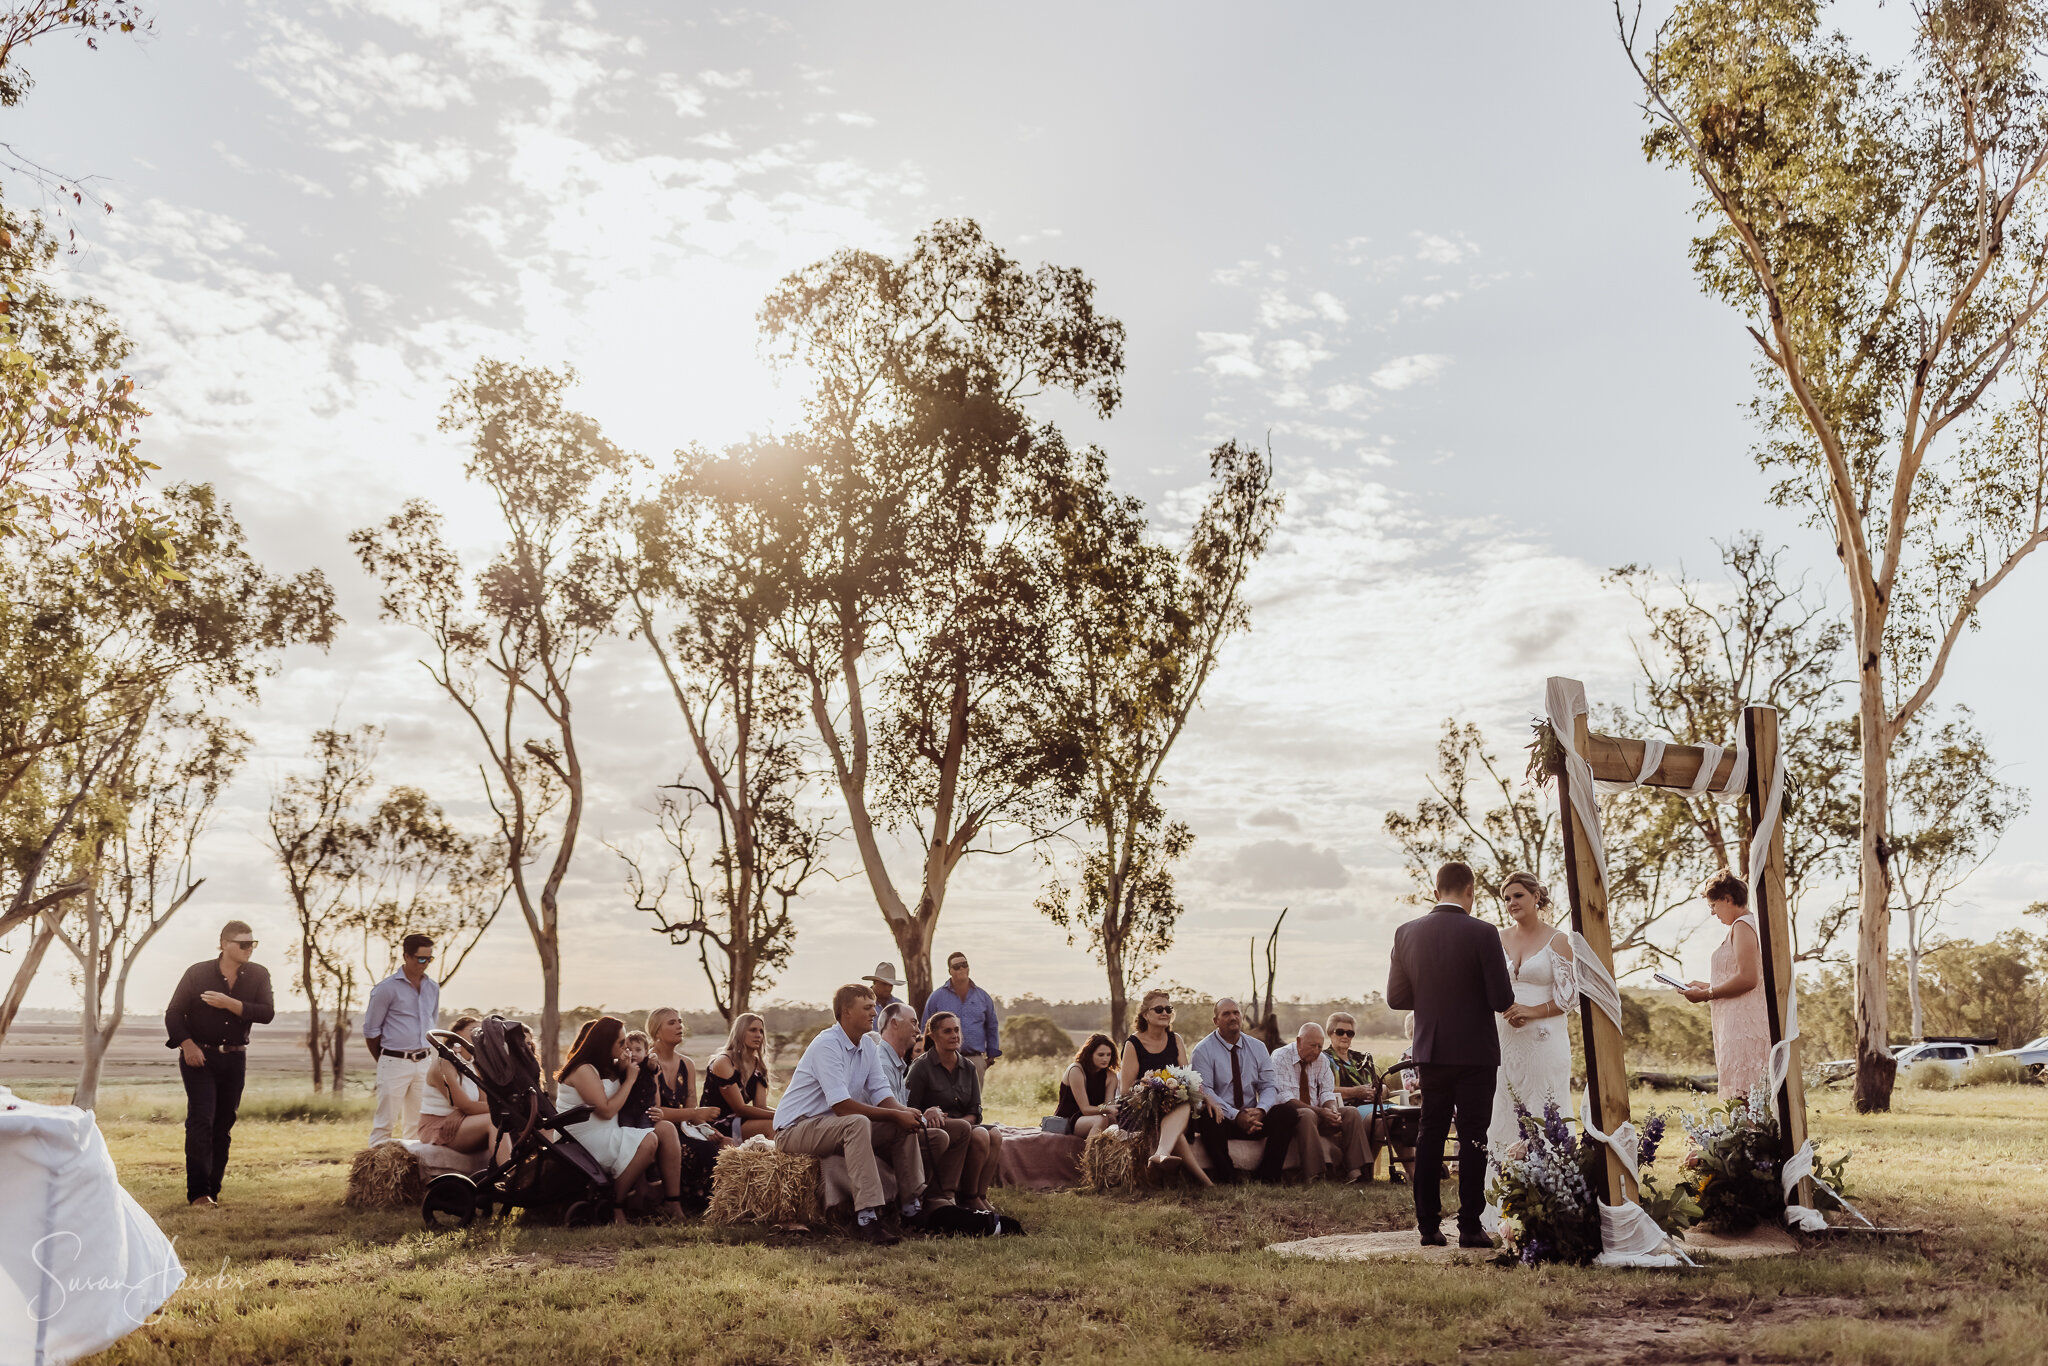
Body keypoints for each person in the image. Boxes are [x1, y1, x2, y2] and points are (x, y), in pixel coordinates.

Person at [1387, 860, 1516, 1248]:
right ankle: (1470, 1227)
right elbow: (1501, 998)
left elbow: (1396, 998)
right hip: (1475, 1053)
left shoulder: (1406, 932)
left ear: (1435, 889)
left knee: (1430, 1133)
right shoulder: (1483, 932)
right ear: (1470, 891)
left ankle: (1427, 1227)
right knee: (1474, 1136)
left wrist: (1431, 996)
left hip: (1431, 1049)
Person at [771, 983, 927, 1245]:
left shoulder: (867, 1045)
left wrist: (904, 1112)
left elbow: (881, 1093)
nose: (874, 1013)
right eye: (866, 1008)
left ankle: (911, 1209)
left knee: (902, 1124)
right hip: (795, 1129)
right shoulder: (826, 1045)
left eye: (873, 1007)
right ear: (846, 1012)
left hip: (829, 1126)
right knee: (856, 1123)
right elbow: (842, 1107)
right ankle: (867, 1217)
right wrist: (893, 1115)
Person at [1486, 871, 1578, 1224]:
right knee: (1505, 1111)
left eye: (1518, 896)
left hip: (1544, 1040)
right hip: (1504, 1041)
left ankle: (1550, 1201)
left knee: (1545, 1109)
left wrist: (1533, 1011)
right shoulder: (1496, 938)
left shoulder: (1558, 940)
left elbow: (1571, 997)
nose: (1511, 903)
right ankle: (1501, 1208)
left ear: (1537, 896)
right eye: (1506, 898)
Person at [164, 920, 275, 1208]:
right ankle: (199, 1194)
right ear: (225, 944)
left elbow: (266, 1013)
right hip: (199, 1056)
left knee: (223, 1125)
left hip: (235, 1058)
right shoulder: (197, 973)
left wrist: (230, 1003)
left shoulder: (259, 975)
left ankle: (213, 1190)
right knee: (201, 1120)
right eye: (244, 944)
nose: (250, 948)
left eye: (253, 943)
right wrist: (187, 1045)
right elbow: (174, 1013)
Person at [556, 1016, 686, 1223]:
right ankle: (617, 1204)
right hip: (583, 1139)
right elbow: (606, 1111)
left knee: (667, 1129)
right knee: (649, 1141)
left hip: (611, 1129)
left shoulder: (609, 1065)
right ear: (605, 1043)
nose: (625, 1046)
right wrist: (630, 1080)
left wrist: (649, 1067)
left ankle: (673, 1201)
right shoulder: (583, 1069)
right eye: (620, 1042)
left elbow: (645, 1082)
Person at [1189, 997, 1301, 1184]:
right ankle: (1228, 1176)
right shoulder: (1202, 1050)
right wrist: (1235, 1115)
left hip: (1253, 1117)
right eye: (1226, 1014)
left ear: (1241, 1017)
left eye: (1236, 1013)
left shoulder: (1258, 1047)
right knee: (1207, 1116)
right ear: (1216, 1021)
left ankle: (1268, 1175)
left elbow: (1269, 1085)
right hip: (1222, 1119)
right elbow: (1206, 1090)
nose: (1232, 1017)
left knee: (1287, 1113)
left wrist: (1261, 1110)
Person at [872, 1001, 969, 1207]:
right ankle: (916, 1199)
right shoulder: (881, 1062)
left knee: (961, 1128)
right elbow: (888, 1112)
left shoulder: (896, 1061)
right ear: (895, 1024)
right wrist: (924, 1117)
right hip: (885, 1134)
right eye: (914, 1023)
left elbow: (898, 1106)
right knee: (938, 1137)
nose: (918, 1030)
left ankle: (944, 1194)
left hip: (899, 1126)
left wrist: (927, 1114)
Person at [1682, 871, 1770, 1098]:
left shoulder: (1743, 925)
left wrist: (1708, 994)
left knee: (1747, 1099)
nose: (1712, 912)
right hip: (1735, 1022)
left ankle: (1750, 1135)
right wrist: (1706, 986)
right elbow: (1738, 976)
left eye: (1713, 905)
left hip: (1745, 1025)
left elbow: (1749, 979)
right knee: (1743, 1100)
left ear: (1728, 899)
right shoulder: (1742, 927)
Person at [907, 1010, 1005, 1211]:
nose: (954, 1035)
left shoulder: (968, 1066)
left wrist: (965, 1125)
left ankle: (980, 1194)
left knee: (994, 1133)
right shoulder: (921, 1067)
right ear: (933, 1036)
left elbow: (976, 1110)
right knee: (979, 1135)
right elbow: (911, 1107)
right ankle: (967, 1196)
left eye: (957, 1030)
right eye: (947, 1031)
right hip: (936, 1126)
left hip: (964, 1123)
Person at [1119, 989, 1210, 1186]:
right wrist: (1149, 1086)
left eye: (1169, 1009)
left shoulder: (1175, 1039)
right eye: (1159, 1009)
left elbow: (1187, 1076)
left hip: (1175, 1106)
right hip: (1142, 1109)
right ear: (1145, 1014)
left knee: (1183, 1105)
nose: (1165, 1013)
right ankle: (1203, 1181)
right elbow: (1126, 1089)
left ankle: (1161, 1155)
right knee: (1171, 1126)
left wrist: (1175, 1089)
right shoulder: (1133, 1044)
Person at [362, 933, 441, 1146]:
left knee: (418, 1126)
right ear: (406, 956)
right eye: (421, 959)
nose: (425, 964)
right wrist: (385, 1060)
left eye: (429, 959)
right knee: (384, 1123)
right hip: (393, 1061)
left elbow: (431, 1025)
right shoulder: (386, 989)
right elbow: (371, 1031)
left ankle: (413, 1175)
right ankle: (374, 1176)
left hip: (424, 1062)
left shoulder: (433, 988)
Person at [644, 1007, 724, 1210]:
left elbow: (692, 1110)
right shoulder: (650, 1063)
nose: (679, 1026)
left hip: (683, 1127)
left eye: (680, 1021)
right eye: (671, 1023)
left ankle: (709, 1202)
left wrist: (710, 1129)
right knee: (695, 1150)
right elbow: (656, 1110)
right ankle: (681, 1201)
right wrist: (696, 1114)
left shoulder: (686, 1063)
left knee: (716, 1146)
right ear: (656, 1031)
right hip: (656, 1128)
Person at [1271, 1021, 1371, 1182]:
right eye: (1313, 1046)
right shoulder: (1280, 1056)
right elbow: (1285, 1098)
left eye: (1320, 1046)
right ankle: (1315, 1174)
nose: (1317, 1051)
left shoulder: (1322, 1059)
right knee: (1307, 1114)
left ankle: (1357, 1171)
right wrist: (1320, 1112)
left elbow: (1326, 1091)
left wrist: (1331, 1110)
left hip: (1317, 1112)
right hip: (1291, 1115)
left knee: (1351, 1112)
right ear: (1298, 1041)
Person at [1325, 1012, 1398, 1183]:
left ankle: (1413, 1172)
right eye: (1340, 1032)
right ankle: (1366, 1171)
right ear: (1330, 1033)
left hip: (1377, 1103)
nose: (1345, 1036)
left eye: (1350, 1033)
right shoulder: (1324, 1059)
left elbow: (1378, 1083)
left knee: (1401, 1119)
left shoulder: (1362, 1058)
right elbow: (1324, 1089)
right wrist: (1355, 1092)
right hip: (1350, 1107)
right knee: (1380, 1120)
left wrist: (1382, 1089)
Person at [419, 1015, 495, 1154]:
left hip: (464, 1121)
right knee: (494, 1121)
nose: (479, 1034)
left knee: (505, 1121)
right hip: (439, 1126)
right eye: (474, 1029)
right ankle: (507, 1173)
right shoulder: (444, 1063)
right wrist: (466, 1110)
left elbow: (483, 1103)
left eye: (482, 1031)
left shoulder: (475, 1065)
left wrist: (463, 1112)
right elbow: (465, 1105)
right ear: (457, 1034)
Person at [922, 952, 1001, 1083]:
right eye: (957, 966)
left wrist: (990, 1058)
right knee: (944, 1100)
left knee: (974, 1102)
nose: (962, 969)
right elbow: (926, 1026)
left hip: (975, 1059)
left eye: (964, 965)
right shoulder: (936, 997)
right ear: (950, 971)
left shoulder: (983, 997)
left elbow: (992, 1026)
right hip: (943, 1059)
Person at [703, 1011, 777, 1140]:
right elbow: (740, 1108)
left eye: (761, 1031)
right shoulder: (724, 1062)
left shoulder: (758, 1065)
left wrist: (787, 1115)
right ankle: (768, 1160)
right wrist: (780, 1116)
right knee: (771, 1126)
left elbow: (760, 1107)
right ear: (740, 1033)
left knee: (785, 1125)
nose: (758, 1035)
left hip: (740, 1120)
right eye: (752, 1030)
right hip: (716, 1123)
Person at [1055, 1033, 1121, 1137]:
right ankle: (1089, 1153)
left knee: (1113, 1120)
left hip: (1091, 1118)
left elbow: (1108, 1105)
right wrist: (1108, 1109)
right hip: (1067, 1119)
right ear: (1090, 1054)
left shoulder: (1111, 1076)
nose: (1105, 1059)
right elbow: (1085, 1109)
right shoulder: (1076, 1070)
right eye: (1101, 1055)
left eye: (1109, 1054)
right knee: (1100, 1120)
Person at [617, 1030, 659, 1128]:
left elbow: (654, 1068)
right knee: (626, 1128)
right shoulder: (625, 1064)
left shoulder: (647, 1063)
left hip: (646, 1108)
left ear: (646, 1052)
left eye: (638, 1050)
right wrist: (623, 1059)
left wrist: (653, 1061)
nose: (633, 1053)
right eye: (629, 1049)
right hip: (626, 1108)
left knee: (644, 1128)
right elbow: (620, 1068)